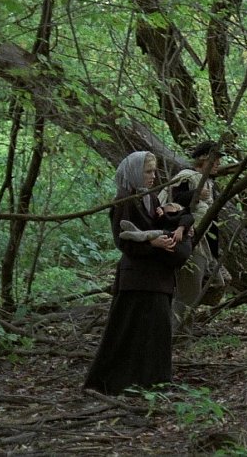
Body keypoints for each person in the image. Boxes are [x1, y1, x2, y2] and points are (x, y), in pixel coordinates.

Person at [84, 151, 192, 395]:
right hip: (137, 278)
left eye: (154, 171)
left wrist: (179, 228)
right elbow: (123, 241)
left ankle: (151, 384)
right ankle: (111, 383)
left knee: (156, 331)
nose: (153, 176)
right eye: (147, 171)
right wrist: (152, 243)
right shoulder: (124, 200)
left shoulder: (149, 198)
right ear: (134, 172)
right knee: (126, 331)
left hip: (156, 277)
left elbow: (158, 226)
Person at [159, 140, 232, 332]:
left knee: (216, 282)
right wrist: (195, 194)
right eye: (215, 159)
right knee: (189, 292)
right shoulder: (187, 177)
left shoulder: (207, 181)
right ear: (203, 158)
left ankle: (178, 325)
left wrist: (214, 250)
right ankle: (177, 333)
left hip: (204, 245)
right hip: (189, 242)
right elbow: (173, 202)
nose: (218, 163)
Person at [119, 202, 194, 242]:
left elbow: (188, 217)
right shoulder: (166, 219)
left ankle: (140, 234)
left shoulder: (183, 215)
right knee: (157, 233)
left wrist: (180, 229)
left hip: (173, 237)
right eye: (166, 213)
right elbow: (160, 224)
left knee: (157, 233)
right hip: (166, 236)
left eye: (171, 212)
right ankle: (138, 232)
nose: (168, 214)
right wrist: (161, 215)